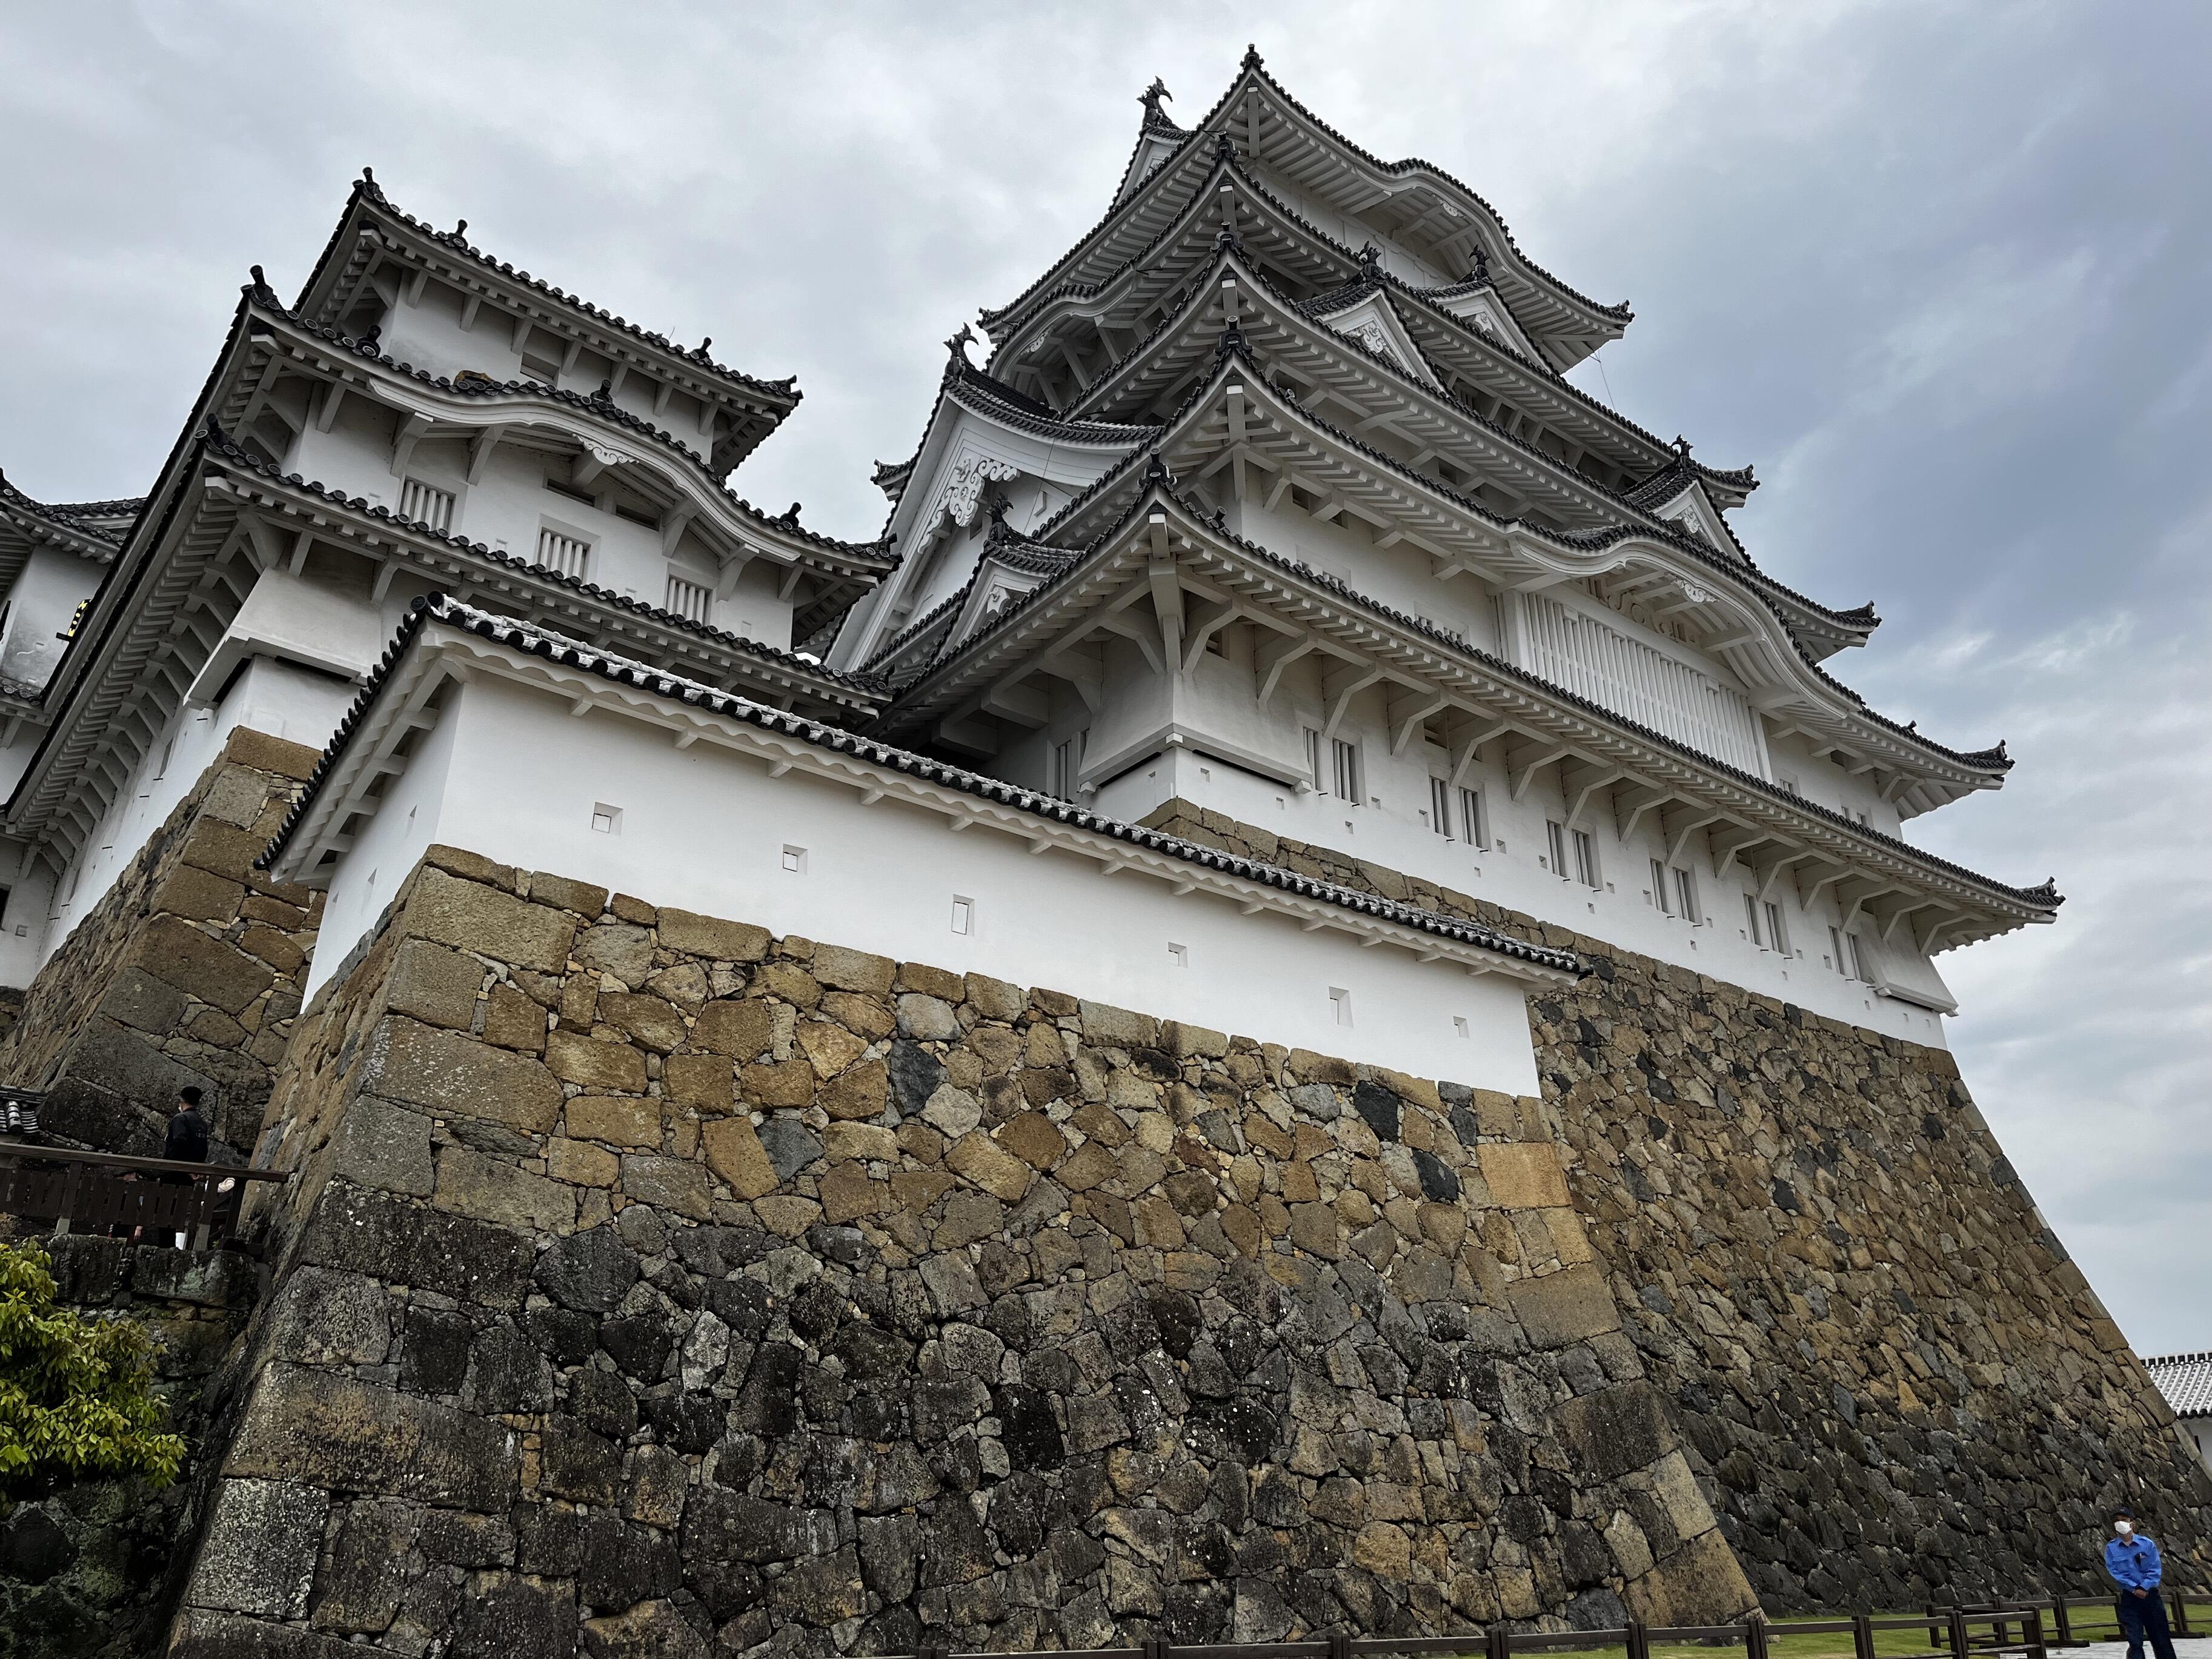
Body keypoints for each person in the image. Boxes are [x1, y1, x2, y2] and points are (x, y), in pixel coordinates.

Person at [2105, 1504, 2178, 1659]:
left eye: (2123, 1520)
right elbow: (2116, 1573)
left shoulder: (2147, 1544)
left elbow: (2154, 1570)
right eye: (2117, 1521)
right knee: (2135, 1640)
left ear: (2132, 1523)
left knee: (2161, 1639)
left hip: (2150, 1597)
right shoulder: (2111, 1548)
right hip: (2130, 1599)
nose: (2120, 1523)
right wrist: (2133, 1589)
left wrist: (2144, 1587)